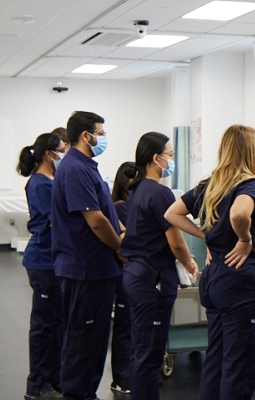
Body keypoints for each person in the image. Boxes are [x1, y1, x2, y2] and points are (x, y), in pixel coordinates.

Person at [165, 125, 255, 400]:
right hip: (241, 278)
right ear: (252, 152)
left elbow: (172, 213)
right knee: (240, 365)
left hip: (216, 277)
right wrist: (244, 239)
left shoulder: (210, 184)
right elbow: (238, 215)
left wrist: (207, 235)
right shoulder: (250, 185)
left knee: (217, 358)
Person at [50, 111, 123, 400]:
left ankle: (85, 394)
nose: (102, 138)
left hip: (96, 268)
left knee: (93, 342)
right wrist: (120, 246)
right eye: (100, 133)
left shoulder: (86, 167)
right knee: (83, 341)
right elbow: (95, 220)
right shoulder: (75, 169)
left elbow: (105, 211)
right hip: (85, 269)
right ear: (85, 135)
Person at [121, 132, 198, 399]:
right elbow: (175, 241)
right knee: (150, 351)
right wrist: (190, 264)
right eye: (170, 155)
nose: (172, 159)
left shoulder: (138, 189)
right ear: (157, 158)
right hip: (150, 279)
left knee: (142, 348)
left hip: (135, 274)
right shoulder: (160, 193)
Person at [17, 132, 68, 400]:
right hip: (42, 261)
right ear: (50, 153)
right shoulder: (39, 184)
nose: (65, 152)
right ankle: (36, 384)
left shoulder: (52, 179)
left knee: (58, 322)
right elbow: (59, 219)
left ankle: (55, 378)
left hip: (55, 260)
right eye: (62, 148)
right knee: (43, 325)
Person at [108, 162, 137, 394]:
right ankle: (121, 377)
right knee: (125, 325)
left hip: (136, 272)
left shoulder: (131, 206)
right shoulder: (120, 209)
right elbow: (130, 240)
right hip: (126, 271)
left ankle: (129, 373)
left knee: (132, 325)